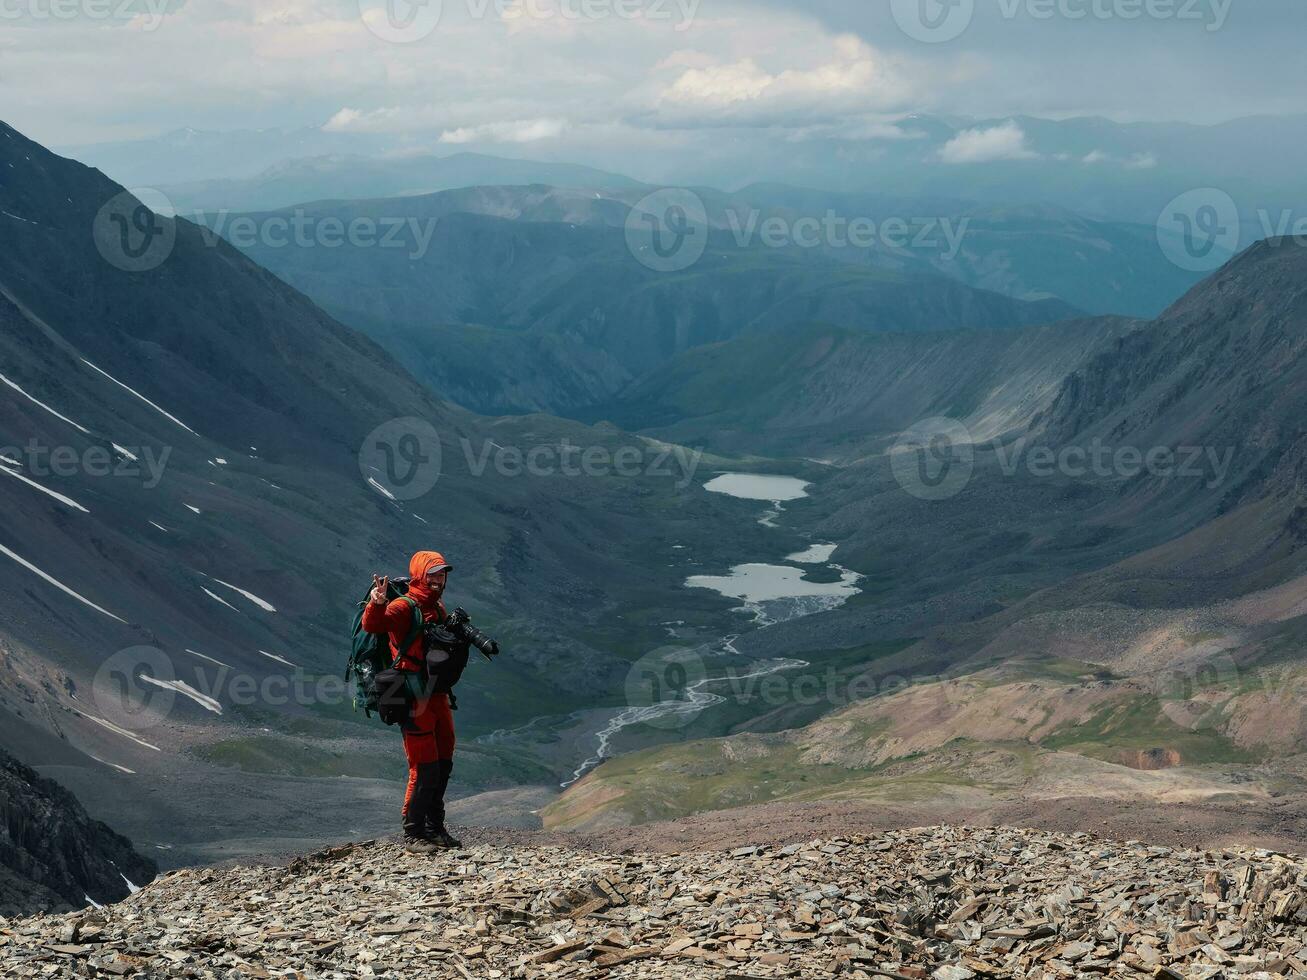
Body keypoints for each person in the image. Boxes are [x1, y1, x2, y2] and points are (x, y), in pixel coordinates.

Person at [362, 551, 462, 851]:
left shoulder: (437, 608)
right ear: (419, 574)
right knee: (425, 766)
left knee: (444, 761)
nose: (437, 579)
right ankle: (414, 832)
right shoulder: (404, 606)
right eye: (432, 574)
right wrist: (377, 602)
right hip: (412, 695)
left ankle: (435, 827)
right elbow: (375, 625)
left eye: (441, 574)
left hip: (437, 695)